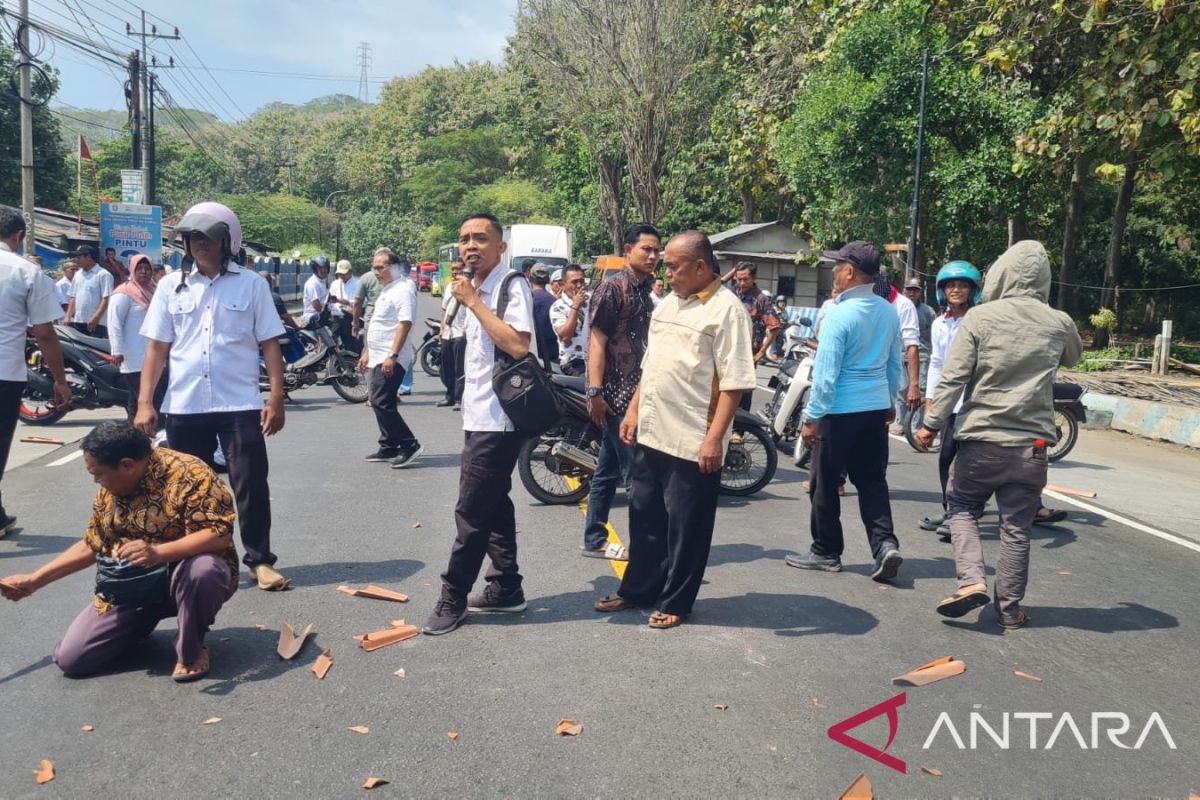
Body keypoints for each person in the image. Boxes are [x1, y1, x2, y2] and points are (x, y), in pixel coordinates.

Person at [593, 231, 755, 628]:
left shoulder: (726, 310)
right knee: (644, 516)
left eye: (673, 265)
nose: (664, 272)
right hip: (652, 431)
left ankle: (677, 601)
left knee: (687, 527)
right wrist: (632, 413)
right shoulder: (668, 304)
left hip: (692, 437)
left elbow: (735, 382)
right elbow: (652, 366)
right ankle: (638, 590)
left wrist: (715, 438)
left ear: (700, 267)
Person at [917, 241, 1082, 629]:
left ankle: (972, 580)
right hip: (1033, 448)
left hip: (981, 442)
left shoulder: (979, 318)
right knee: (1016, 528)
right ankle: (1009, 610)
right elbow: (1073, 356)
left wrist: (930, 425)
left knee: (960, 509)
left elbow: (953, 378)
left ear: (1001, 274)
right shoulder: (1059, 321)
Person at [0, 422, 238, 681]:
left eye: (98, 474)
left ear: (127, 465)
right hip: (132, 587)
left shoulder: (190, 474)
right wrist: (35, 580)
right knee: (71, 659)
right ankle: (136, 625)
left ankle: (191, 649)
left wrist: (159, 553)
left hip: (184, 579)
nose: (96, 481)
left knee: (204, 571)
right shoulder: (109, 491)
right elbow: (94, 543)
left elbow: (218, 534)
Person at [135, 201, 290, 593]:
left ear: (227, 240)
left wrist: (276, 397)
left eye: (206, 236)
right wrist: (144, 403)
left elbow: (270, 344)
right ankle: (199, 558)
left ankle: (260, 560)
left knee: (250, 483)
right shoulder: (171, 286)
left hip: (238, 404)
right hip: (185, 406)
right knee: (189, 488)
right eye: (192, 237)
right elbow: (156, 349)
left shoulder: (252, 284)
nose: (198, 243)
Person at [423, 213, 536, 636]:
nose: (471, 246)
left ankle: (453, 596)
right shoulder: (474, 288)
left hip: (500, 419)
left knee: (471, 511)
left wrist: (473, 301)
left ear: (500, 247)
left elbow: (518, 345)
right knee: (494, 502)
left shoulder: (510, 286)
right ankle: (506, 587)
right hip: (478, 414)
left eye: (481, 239)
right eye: (465, 239)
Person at [786, 241, 903, 582]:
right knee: (872, 481)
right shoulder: (887, 311)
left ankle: (825, 550)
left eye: (837, 267)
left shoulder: (838, 314)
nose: (834, 272)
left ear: (850, 272)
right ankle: (885, 545)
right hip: (875, 408)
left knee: (823, 482)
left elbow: (825, 375)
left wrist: (812, 418)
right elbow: (894, 363)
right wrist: (889, 402)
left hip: (839, 411)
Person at [581, 223, 659, 560]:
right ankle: (645, 551)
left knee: (606, 470)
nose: (653, 256)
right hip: (617, 397)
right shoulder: (612, 289)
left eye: (657, 250)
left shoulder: (644, 290)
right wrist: (594, 393)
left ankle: (595, 538)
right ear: (628, 250)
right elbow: (596, 342)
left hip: (636, 392)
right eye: (647, 249)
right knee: (635, 476)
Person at [0, 205, 70, 534]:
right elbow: (44, 332)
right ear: (18, 236)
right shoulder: (25, 272)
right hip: (5, 374)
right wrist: (59, 381)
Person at [917, 261, 982, 539]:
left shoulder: (979, 321)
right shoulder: (940, 324)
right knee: (946, 458)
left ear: (972, 290)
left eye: (963, 285)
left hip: (974, 403)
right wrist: (930, 401)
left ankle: (965, 516)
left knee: (969, 463)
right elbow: (936, 363)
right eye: (951, 285)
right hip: (949, 404)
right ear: (942, 290)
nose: (957, 290)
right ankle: (950, 510)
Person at [359, 249, 422, 467]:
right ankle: (388, 445)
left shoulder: (403, 290)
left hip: (391, 357)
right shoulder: (389, 289)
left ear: (394, 267)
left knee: (381, 401)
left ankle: (409, 444)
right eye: (374, 267)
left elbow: (404, 323)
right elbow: (381, 324)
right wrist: (368, 352)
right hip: (378, 355)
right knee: (379, 401)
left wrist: (392, 355)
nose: (376, 272)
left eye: (380, 267)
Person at [107, 254, 164, 422]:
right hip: (133, 354)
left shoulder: (155, 290)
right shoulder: (123, 293)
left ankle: (134, 433)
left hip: (153, 353)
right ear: (132, 270)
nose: (144, 272)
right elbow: (114, 323)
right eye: (140, 269)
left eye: (147, 269)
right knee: (146, 397)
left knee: (138, 398)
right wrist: (116, 350)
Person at [731, 262, 781, 409]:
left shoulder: (761, 299)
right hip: (727, 352)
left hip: (747, 356)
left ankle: (739, 431)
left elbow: (775, 327)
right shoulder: (732, 294)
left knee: (742, 399)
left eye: (745, 279)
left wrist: (761, 352)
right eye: (738, 279)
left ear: (754, 278)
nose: (741, 283)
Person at [875, 273, 921, 434]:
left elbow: (912, 344)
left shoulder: (903, 306)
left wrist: (914, 385)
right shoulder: (860, 302)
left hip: (892, 366)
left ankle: (909, 424)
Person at [549, 264, 590, 377]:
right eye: (574, 282)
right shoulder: (558, 307)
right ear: (563, 284)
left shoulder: (592, 300)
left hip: (594, 358)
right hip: (574, 361)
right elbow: (565, 336)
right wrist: (575, 306)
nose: (579, 285)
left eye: (582, 281)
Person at [437, 258, 468, 408]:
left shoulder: (469, 287)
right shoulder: (449, 286)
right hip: (447, 332)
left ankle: (458, 398)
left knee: (459, 368)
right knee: (446, 366)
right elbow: (444, 309)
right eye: (453, 269)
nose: (455, 272)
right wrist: (441, 328)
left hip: (460, 333)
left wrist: (466, 330)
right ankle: (449, 395)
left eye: (458, 269)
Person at [66, 244, 114, 338]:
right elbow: (73, 297)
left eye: (79, 257)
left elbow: (106, 298)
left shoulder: (103, 275)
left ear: (88, 257)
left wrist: (95, 317)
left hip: (97, 323)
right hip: (78, 321)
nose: (77, 260)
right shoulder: (78, 274)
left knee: (94, 352)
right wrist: (68, 316)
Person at [530, 263, 560, 370]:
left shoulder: (526, 299)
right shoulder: (554, 301)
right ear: (548, 280)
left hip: (531, 357)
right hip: (553, 358)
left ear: (530, 278)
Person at [329, 259, 360, 352]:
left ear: (350, 272)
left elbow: (363, 302)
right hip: (336, 318)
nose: (342, 276)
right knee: (331, 343)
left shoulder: (358, 283)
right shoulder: (335, 284)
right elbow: (330, 300)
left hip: (349, 317)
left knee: (349, 344)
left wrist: (348, 302)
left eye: (344, 274)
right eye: (340, 274)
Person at [301, 256, 330, 330]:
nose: (323, 270)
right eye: (320, 268)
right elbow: (316, 305)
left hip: (320, 314)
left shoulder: (322, 281)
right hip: (312, 316)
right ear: (315, 269)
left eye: (325, 268)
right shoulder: (312, 283)